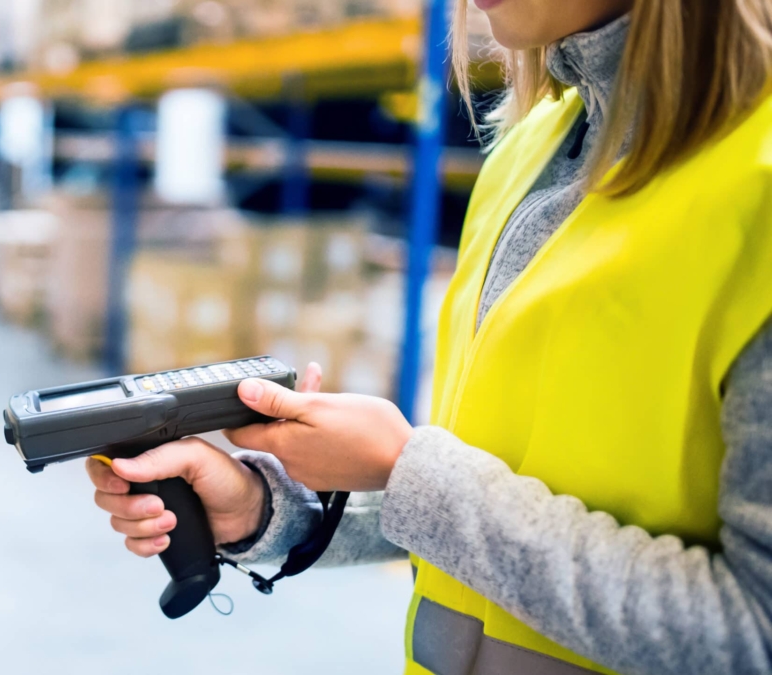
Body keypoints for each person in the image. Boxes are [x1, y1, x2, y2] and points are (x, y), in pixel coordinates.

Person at [87, 1, 772, 673]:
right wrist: (264, 509)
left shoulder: (756, 190)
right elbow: (500, 493)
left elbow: (754, 637)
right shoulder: (526, 154)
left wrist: (408, 467)